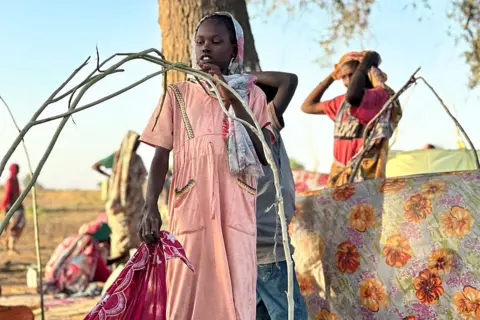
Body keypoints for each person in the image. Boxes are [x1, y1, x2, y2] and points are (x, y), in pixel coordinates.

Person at [139, 12, 273, 319]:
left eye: (216, 41)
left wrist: (229, 95)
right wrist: (149, 206)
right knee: (185, 287)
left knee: (234, 291)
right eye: (200, 42)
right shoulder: (177, 95)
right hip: (190, 207)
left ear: (234, 49)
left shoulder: (251, 94)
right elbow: (160, 156)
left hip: (235, 208)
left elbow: (262, 152)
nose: (206, 48)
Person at [250, 71, 308, 319]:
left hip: (258, 245)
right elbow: (289, 80)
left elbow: (288, 81)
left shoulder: (262, 124)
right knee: (288, 313)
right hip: (268, 248)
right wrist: (242, 78)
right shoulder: (259, 124)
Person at [301, 51, 402, 187]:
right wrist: (332, 76)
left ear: (366, 73)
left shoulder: (378, 97)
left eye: (352, 75)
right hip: (339, 174)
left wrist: (366, 64)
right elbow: (307, 106)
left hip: (363, 176)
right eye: (343, 77)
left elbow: (354, 96)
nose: (347, 81)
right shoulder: (341, 103)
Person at [97, 131, 147, 264]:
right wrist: (113, 178)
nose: (136, 146)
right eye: (134, 143)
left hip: (135, 204)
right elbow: (96, 166)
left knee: (137, 236)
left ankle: (134, 267)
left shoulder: (137, 159)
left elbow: (143, 177)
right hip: (119, 205)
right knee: (120, 238)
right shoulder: (117, 157)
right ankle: (119, 268)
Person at [44, 221, 112, 296]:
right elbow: (101, 272)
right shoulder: (90, 245)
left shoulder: (70, 240)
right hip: (72, 284)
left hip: (51, 278)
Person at [1, 163, 26, 254]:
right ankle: (11, 246)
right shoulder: (10, 180)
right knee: (12, 226)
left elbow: (17, 194)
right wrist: (3, 206)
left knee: (19, 224)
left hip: (17, 206)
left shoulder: (16, 180)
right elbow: (7, 195)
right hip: (10, 207)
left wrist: (21, 205)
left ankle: (7, 241)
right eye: (16, 169)